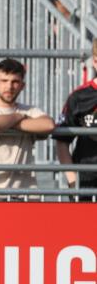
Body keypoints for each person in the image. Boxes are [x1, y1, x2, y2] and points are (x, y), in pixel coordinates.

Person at [0, 58, 54, 189]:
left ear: (22, 85)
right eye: (4, 81)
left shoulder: (30, 110)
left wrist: (5, 122)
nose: (9, 86)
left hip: (25, 195)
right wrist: (19, 117)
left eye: (15, 82)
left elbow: (49, 125)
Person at [56, 40, 97, 190]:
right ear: (95, 61)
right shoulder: (79, 97)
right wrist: (73, 180)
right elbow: (62, 141)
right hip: (88, 182)